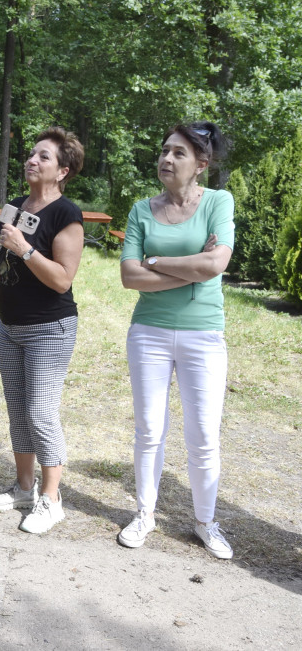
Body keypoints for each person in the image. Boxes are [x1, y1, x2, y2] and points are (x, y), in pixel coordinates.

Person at [117, 121, 235, 559]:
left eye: (179, 153)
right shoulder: (140, 210)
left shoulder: (218, 202)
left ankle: (205, 522)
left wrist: (157, 260)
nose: (167, 159)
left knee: (203, 435)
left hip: (204, 334)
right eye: (165, 150)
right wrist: (190, 265)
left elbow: (215, 265)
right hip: (147, 332)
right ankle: (144, 513)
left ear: (201, 165)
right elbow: (130, 277)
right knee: (149, 430)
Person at [0, 126, 85, 534]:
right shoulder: (14, 207)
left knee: (40, 412)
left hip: (50, 328)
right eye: (31, 154)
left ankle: (52, 501)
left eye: (44, 157)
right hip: (10, 325)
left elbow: (62, 280)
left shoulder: (67, 215)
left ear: (63, 170)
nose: (32, 160)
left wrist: (26, 248)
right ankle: (23, 488)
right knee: (18, 411)